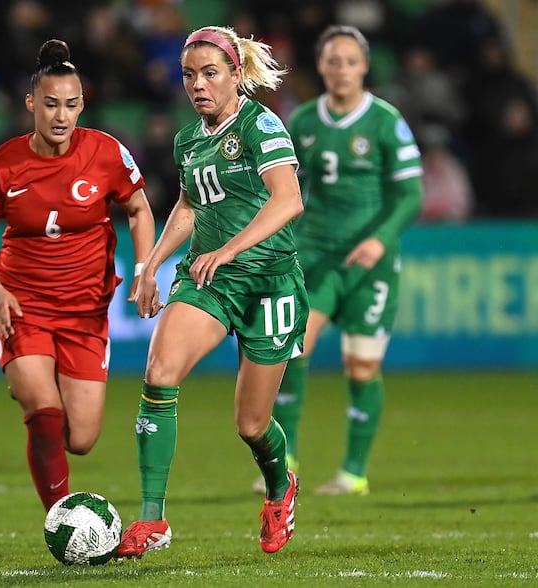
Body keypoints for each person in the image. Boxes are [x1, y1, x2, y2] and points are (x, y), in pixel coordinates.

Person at [115, 25, 307, 559]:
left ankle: (278, 489)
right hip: (209, 280)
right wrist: (150, 263)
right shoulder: (188, 139)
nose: (197, 85)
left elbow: (288, 199)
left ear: (236, 75)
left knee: (251, 425)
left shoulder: (261, 124)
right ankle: (152, 520)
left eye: (209, 73)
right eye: (189, 75)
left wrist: (230, 248)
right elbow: (189, 205)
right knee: (159, 373)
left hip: (269, 282)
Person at [0, 39, 155, 513]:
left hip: (86, 310)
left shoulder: (107, 152)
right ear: (31, 104)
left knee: (83, 438)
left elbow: (139, 209)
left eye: (70, 105)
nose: (61, 116)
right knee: (44, 412)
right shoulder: (2, 165)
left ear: (82, 104)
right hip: (21, 305)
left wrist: (146, 266)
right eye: (50, 104)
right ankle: (61, 517)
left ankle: (30, 389)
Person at [254, 25, 424, 496]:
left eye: (350, 61)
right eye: (333, 61)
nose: (342, 69)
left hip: (371, 266)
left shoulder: (386, 122)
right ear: (322, 66)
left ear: (364, 67)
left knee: (361, 367)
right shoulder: (305, 122)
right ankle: (284, 461)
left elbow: (411, 194)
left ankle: (353, 473)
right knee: (292, 352)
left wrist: (380, 240)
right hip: (316, 257)